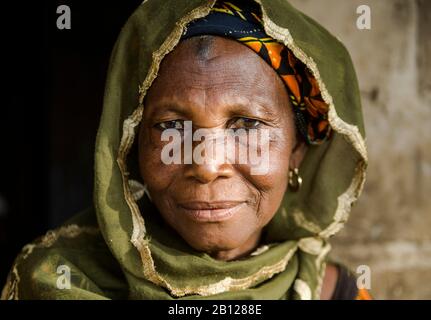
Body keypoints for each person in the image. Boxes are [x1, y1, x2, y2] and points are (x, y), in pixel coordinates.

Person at [2, 0, 371, 300]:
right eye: (172, 126)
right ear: (132, 144)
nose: (207, 165)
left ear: (296, 151)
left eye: (247, 125)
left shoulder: (336, 293)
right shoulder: (58, 281)